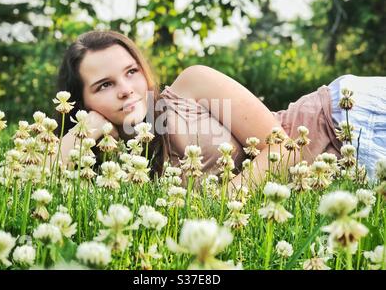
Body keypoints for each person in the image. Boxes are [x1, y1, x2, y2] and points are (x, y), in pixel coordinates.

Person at [55, 30, 385, 192]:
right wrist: (86, 126)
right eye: (104, 85)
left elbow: (284, 149)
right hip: (342, 175)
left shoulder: (190, 86)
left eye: (131, 72)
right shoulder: (114, 170)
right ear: (80, 102)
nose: (126, 89)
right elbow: (37, 178)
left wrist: (217, 205)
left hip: (345, 120)